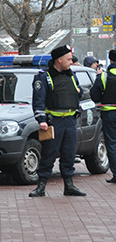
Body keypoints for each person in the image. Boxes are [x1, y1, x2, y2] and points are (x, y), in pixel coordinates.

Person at [29, 45, 86, 197]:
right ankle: (41, 187)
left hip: (70, 121)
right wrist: (41, 120)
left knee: (69, 154)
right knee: (49, 154)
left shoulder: (72, 75)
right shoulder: (44, 77)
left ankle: (69, 185)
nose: (71, 62)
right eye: (68, 59)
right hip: (53, 122)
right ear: (59, 60)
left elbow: (78, 92)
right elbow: (38, 100)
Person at [90, 49, 116, 183]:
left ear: (110, 60)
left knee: (111, 144)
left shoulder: (104, 76)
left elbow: (94, 95)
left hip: (109, 114)